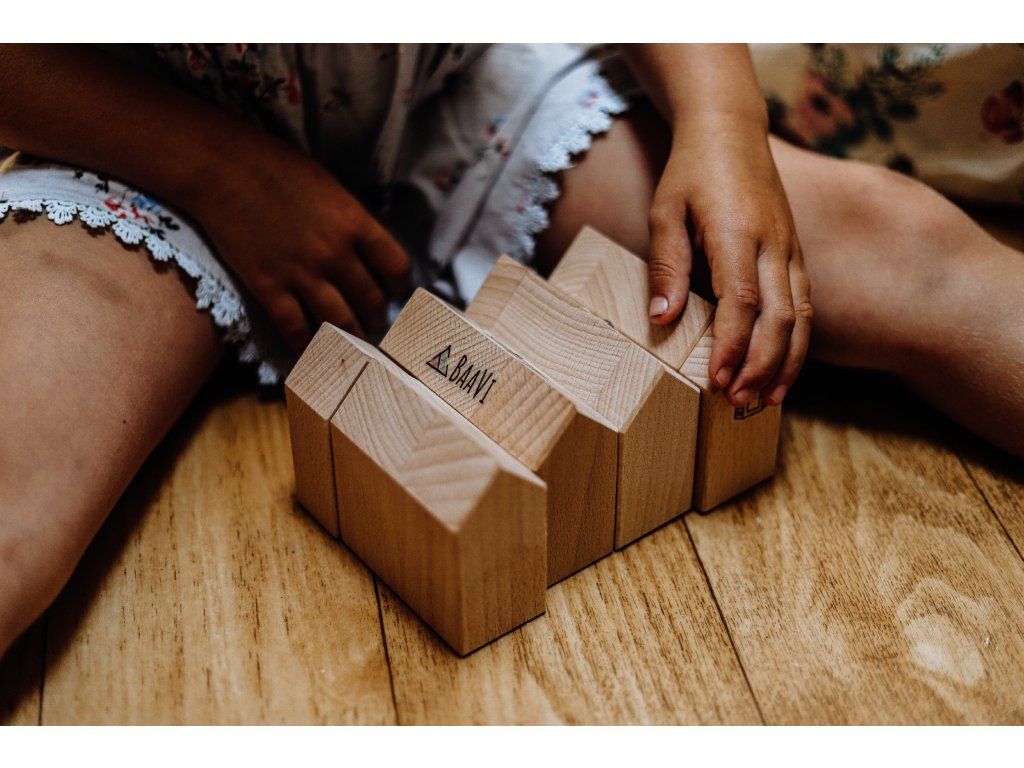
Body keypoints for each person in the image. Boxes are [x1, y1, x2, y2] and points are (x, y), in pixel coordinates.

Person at [0, 43, 1021, 659]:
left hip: (464, 84)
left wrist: (722, 120)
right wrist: (223, 173)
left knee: (902, 247)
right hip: (137, 120)